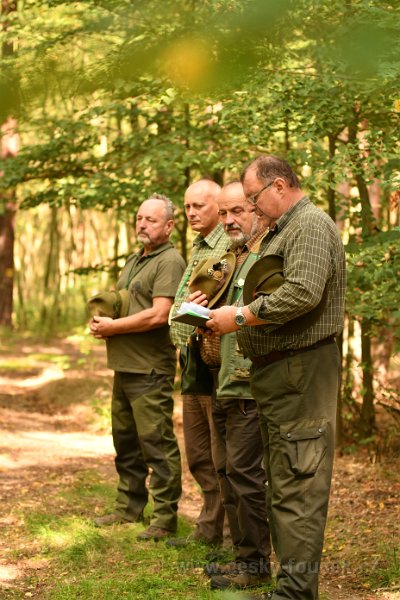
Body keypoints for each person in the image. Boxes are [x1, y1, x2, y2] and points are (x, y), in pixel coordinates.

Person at [206, 156, 346, 599]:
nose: (252, 206)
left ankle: (295, 594)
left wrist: (241, 318)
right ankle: (289, 587)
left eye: (253, 198)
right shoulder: (285, 229)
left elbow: (303, 291)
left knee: (299, 485)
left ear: (280, 185)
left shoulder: (308, 226)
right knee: (284, 483)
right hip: (281, 374)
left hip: (302, 372)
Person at [189, 181, 272, 590]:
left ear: (256, 207)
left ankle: (256, 566)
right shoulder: (232, 257)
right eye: (223, 213)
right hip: (220, 381)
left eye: (236, 210)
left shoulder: (265, 256)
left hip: (248, 384)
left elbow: (269, 313)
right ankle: (244, 559)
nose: (229, 220)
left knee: (245, 475)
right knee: (229, 473)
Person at [90, 194, 185, 541]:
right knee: (126, 442)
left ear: (169, 226)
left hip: (150, 369)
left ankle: (163, 519)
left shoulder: (170, 260)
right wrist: (103, 320)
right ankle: (128, 508)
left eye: (151, 219)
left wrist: (113, 328)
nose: (143, 224)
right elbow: (130, 305)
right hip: (124, 365)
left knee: (156, 443)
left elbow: (161, 314)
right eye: (139, 218)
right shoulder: (134, 260)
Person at [168, 179, 229, 546]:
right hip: (191, 361)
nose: (191, 213)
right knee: (198, 452)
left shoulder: (226, 246)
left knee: (221, 452)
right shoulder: (200, 244)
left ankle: (225, 533)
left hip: (213, 361)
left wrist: (187, 315)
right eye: (187, 207)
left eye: (199, 206)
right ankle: (209, 528)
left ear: (217, 207)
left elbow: (206, 306)